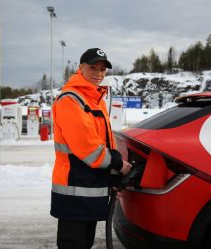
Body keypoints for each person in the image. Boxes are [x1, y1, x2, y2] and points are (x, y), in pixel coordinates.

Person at [50, 48, 132, 249]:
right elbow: (89, 149)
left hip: (90, 184)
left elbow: (104, 141)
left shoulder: (94, 99)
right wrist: (118, 164)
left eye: (103, 69)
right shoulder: (71, 100)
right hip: (75, 187)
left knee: (85, 242)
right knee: (74, 243)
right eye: (93, 67)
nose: (99, 73)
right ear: (80, 68)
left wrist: (111, 176)